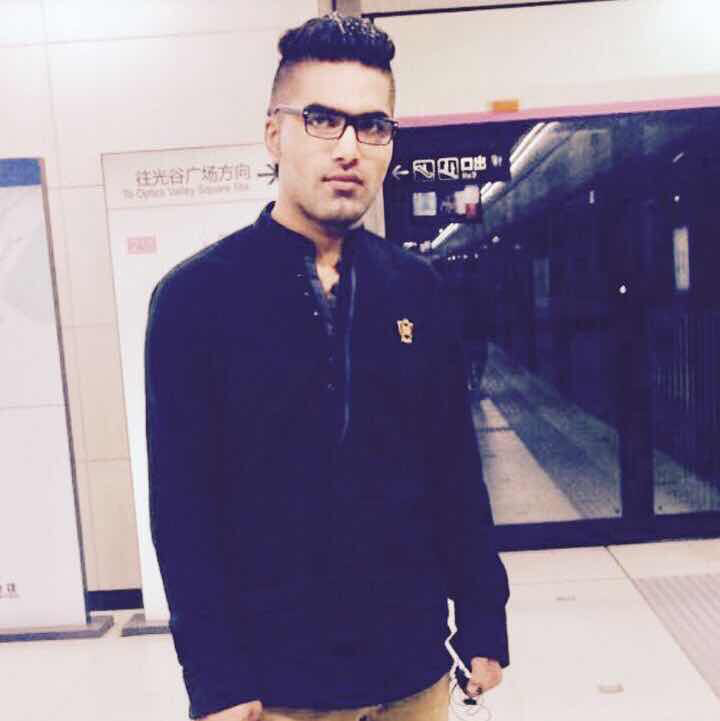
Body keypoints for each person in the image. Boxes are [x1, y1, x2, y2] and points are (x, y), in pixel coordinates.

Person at [144, 12, 510, 721]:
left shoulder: (417, 288)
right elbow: (183, 506)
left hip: (413, 670)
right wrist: (216, 678)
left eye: (372, 126)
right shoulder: (197, 298)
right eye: (322, 120)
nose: (349, 148)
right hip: (277, 687)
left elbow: (453, 470)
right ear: (273, 134)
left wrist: (483, 618)